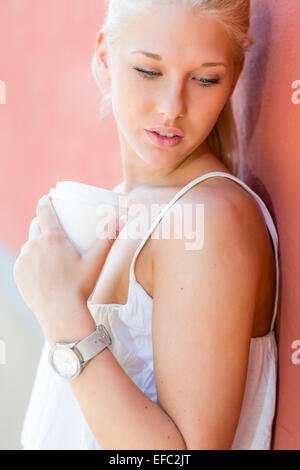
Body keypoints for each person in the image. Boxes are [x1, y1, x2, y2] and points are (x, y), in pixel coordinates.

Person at [18, 0, 279, 450]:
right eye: (148, 71)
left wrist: (63, 315)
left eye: (204, 78)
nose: (172, 107)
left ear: (234, 77)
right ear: (104, 58)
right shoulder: (126, 205)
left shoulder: (209, 221)